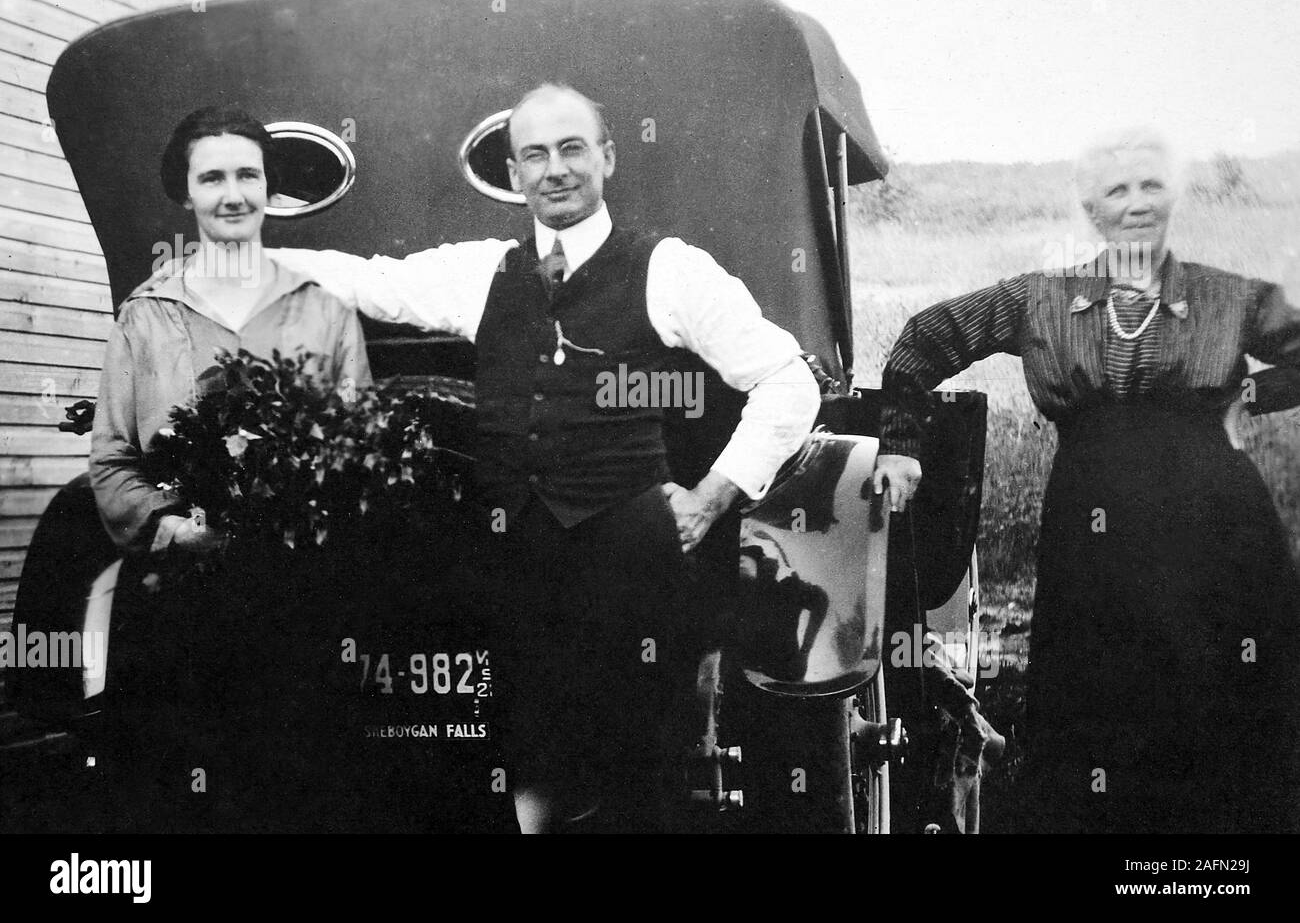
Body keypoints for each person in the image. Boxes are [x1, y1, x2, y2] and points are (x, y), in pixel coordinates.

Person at [291, 82, 822, 832]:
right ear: (514, 176)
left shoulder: (668, 268)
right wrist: (241, 258)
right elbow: (373, 282)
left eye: (573, 148)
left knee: (641, 768)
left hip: (629, 556)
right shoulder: (483, 270)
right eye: (534, 155)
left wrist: (712, 494)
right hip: (515, 557)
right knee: (524, 763)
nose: (555, 169)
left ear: (606, 158)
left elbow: (787, 379)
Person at [872, 127, 1300, 833]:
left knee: (1224, 691)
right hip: (1095, 523)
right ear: (1092, 210)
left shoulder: (1230, 299)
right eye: (1118, 190)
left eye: (1152, 185)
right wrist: (901, 447)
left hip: (1219, 524)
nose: (1137, 203)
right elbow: (922, 341)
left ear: (1176, 197)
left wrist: (1246, 397)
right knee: (1103, 694)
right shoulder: (1041, 300)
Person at [89, 106, 371, 830]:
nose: (233, 193)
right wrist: (175, 529)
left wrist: (309, 514)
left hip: (295, 598)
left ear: (269, 187)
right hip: (177, 598)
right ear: (186, 195)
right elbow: (113, 459)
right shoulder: (147, 314)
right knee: (180, 800)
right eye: (211, 177)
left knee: (293, 790)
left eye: (248, 174)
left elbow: (358, 449)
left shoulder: (322, 310)